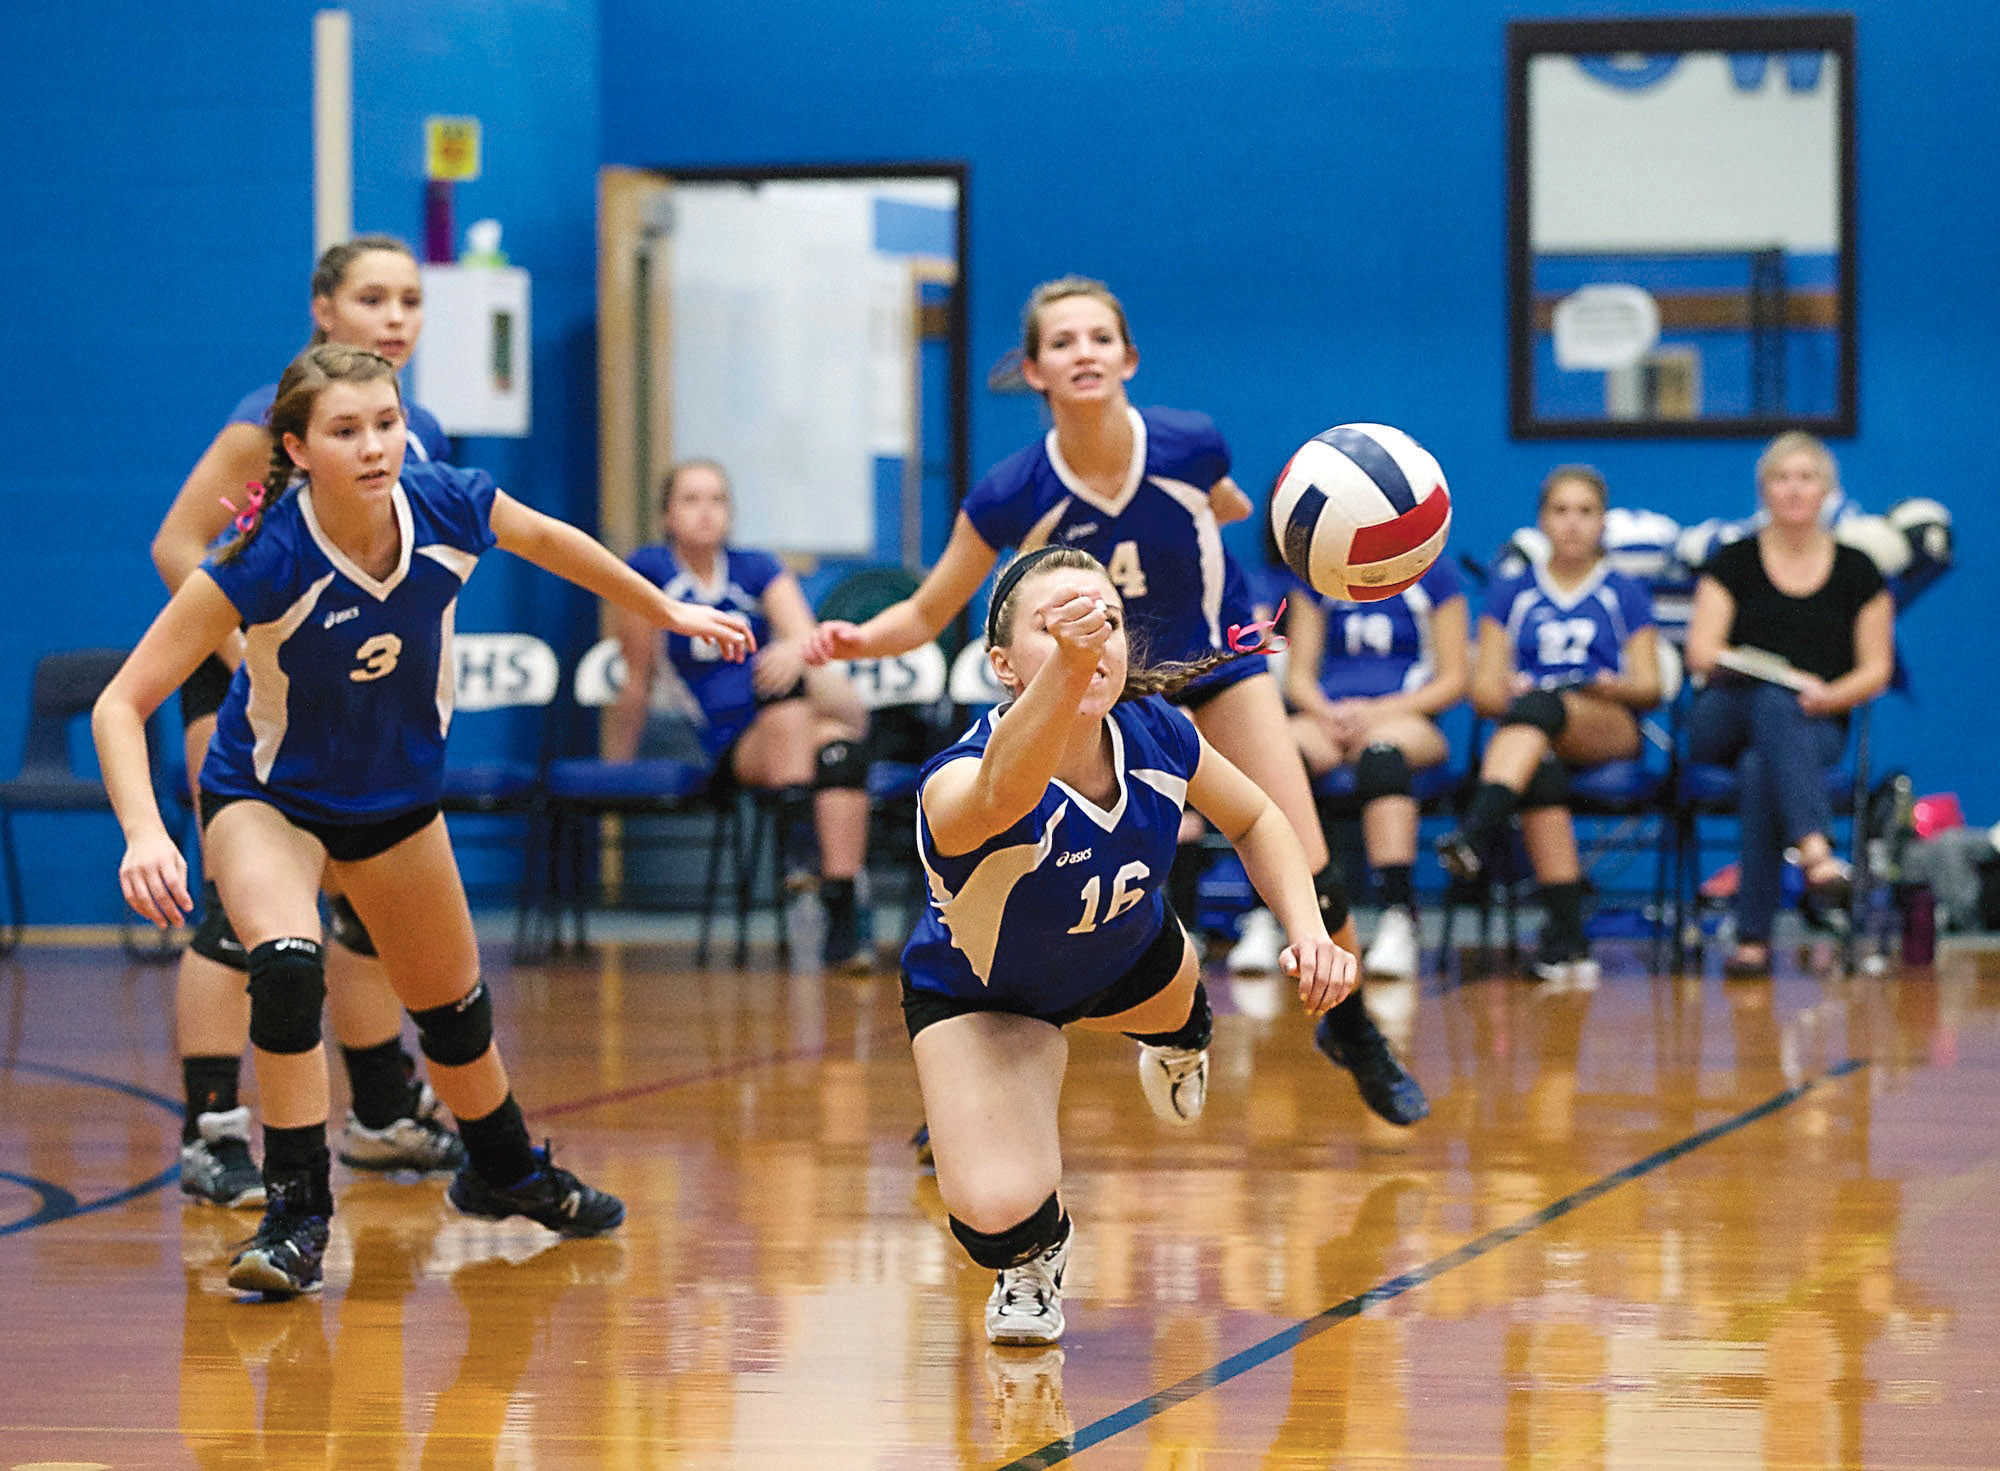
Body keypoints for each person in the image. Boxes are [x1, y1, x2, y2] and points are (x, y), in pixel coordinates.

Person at [95, 344, 755, 1296]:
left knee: (454, 1017)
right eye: (346, 430)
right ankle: (295, 1215)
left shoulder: (447, 500)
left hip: (395, 799)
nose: (374, 446)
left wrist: (665, 609)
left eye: (386, 422)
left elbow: (554, 541)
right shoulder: (264, 553)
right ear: (297, 447)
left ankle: (508, 1171)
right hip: (267, 796)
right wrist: (146, 832)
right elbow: (121, 702)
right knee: (286, 972)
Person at [808, 276, 1423, 1125]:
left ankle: (1352, 1030)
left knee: (1308, 869)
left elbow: (1232, 505)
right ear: (1034, 371)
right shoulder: (1011, 490)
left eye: (1099, 337)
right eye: (1062, 342)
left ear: (1128, 357)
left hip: (1215, 663)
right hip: (1097, 688)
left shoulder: (1190, 444)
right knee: (1005, 880)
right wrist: (853, 639)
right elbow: (925, 610)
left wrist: (1315, 528)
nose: (1083, 352)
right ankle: (969, 1060)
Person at [906, 546, 1355, 1345]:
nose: (1092, 639)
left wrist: (1308, 929)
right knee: (994, 1208)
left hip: (1128, 958)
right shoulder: (957, 777)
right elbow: (1004, 795)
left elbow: (1256, 818)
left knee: (1176, 1000)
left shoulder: (1160, 734)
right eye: (1062, 625)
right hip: (985, 999)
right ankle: (1034, 1256)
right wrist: (1068, 669)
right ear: (1003, 665)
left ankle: (1180, 1037)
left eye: (1106, 621)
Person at [153, 235, 460, 1206]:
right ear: (324, 309)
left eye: (410, 298)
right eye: (373, 298)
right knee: (244, 913)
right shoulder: (271, 423)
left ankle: (376, 1110)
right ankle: (212, 1130)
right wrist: (252, 664)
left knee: (361, 899)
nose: (396, 316)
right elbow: (178, 542)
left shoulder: (424, 431)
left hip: (353, 694)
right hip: (246, 676)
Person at [607, 460, 875, 970]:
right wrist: (619, 762)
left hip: (788, 715)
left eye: (717, 500)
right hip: (732, 741)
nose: (706, 513)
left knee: (839, 747)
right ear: (666, 514)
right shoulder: (649, 570)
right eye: (691, 500)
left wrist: (794, 652)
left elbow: (805, 636)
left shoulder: (755, 567)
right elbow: (637, 675)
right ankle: (799, 847)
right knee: (792, 694)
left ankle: (836, 906)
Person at [1436, 467, 1661, 983]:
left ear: (1603, 522)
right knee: (1537, 758)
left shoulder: (1623, 591)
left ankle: (1475, 832)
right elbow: (1485, 691)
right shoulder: (1510, 592)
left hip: (1606, 725)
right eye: (1561, 511)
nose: (1573, 524)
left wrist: (1607, 685)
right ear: (1542, 521)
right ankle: (1568, 939)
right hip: (1532, 732)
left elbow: (1649, 685)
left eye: (1585, 512)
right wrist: (1514, 690)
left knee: (1542, 711)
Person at [1684, 433, 1894, 976]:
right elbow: (1701, 653)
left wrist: (1827, 696)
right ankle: (1817, 855)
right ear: (1764, 490)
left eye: (1807, 477)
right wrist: (1775, 675)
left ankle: (1752, 941)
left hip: (1815, 720)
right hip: (1723, 718)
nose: (1795, 489)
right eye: (1782, 477)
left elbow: (1876, 668)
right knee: (1773, 698)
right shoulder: (1733, 562)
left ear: (1828, 490)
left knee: (1762, 767)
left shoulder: (1858, 571)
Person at [1283, 556, 1469, 979]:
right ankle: (1268, 916)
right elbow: (1298, 676)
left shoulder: (1435, 574)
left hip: (1404, 716)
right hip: (1330, 716)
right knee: (1282, 753)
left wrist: (1376, 712)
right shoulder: (1319, 572)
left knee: (1382, 754)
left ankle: (1397, 918)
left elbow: (1454, 679)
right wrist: (1327, 713)